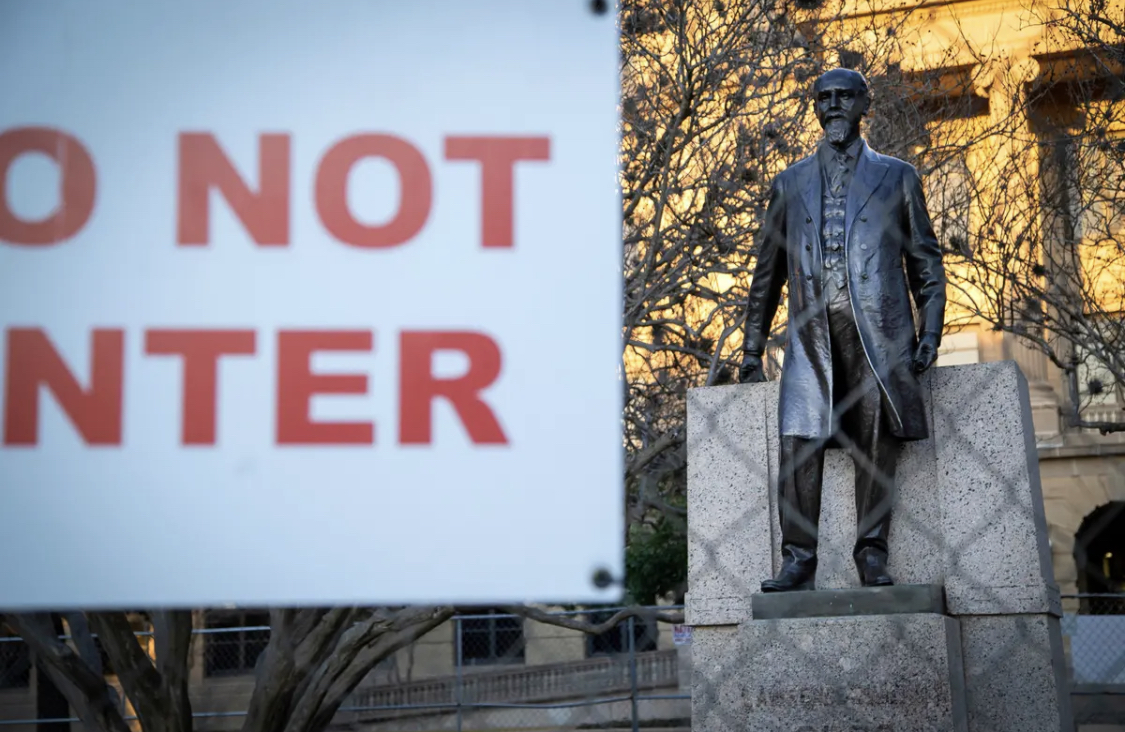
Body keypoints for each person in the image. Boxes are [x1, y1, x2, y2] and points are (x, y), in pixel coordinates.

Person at [739, 68, 947, 592]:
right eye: (823, 98)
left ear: (863, 103)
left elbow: (925, 261)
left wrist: (931, 333)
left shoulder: (897, 176)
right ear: (815, 107)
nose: (833, 106)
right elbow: (767, 273)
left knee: (877, 439)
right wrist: (751, 346)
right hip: (811, 337)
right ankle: (798, 558)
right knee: (798, 440)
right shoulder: (789, 183)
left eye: (843, 97)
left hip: (879, 334)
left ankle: (871, 552)